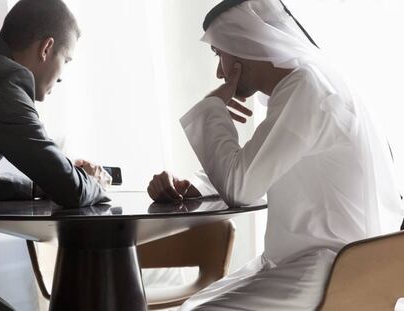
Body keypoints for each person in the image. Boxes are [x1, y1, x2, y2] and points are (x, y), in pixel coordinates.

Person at [147, 0, 404, 310]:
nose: (219, 72)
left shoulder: (307, 87)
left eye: (219, 54)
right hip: (322, 261)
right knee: (191, 306)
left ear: (242, 44)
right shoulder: (307, 84)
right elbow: (265, 169)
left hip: (333, 267)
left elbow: (241, 188)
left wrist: (212, 107)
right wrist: (196, 186)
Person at [0, 0, 111, 207]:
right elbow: (71, 190)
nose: (62, 77)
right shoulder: (7, 79)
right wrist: (94, 181)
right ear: (46, 48)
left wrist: (39, 186)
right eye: (66, 60)